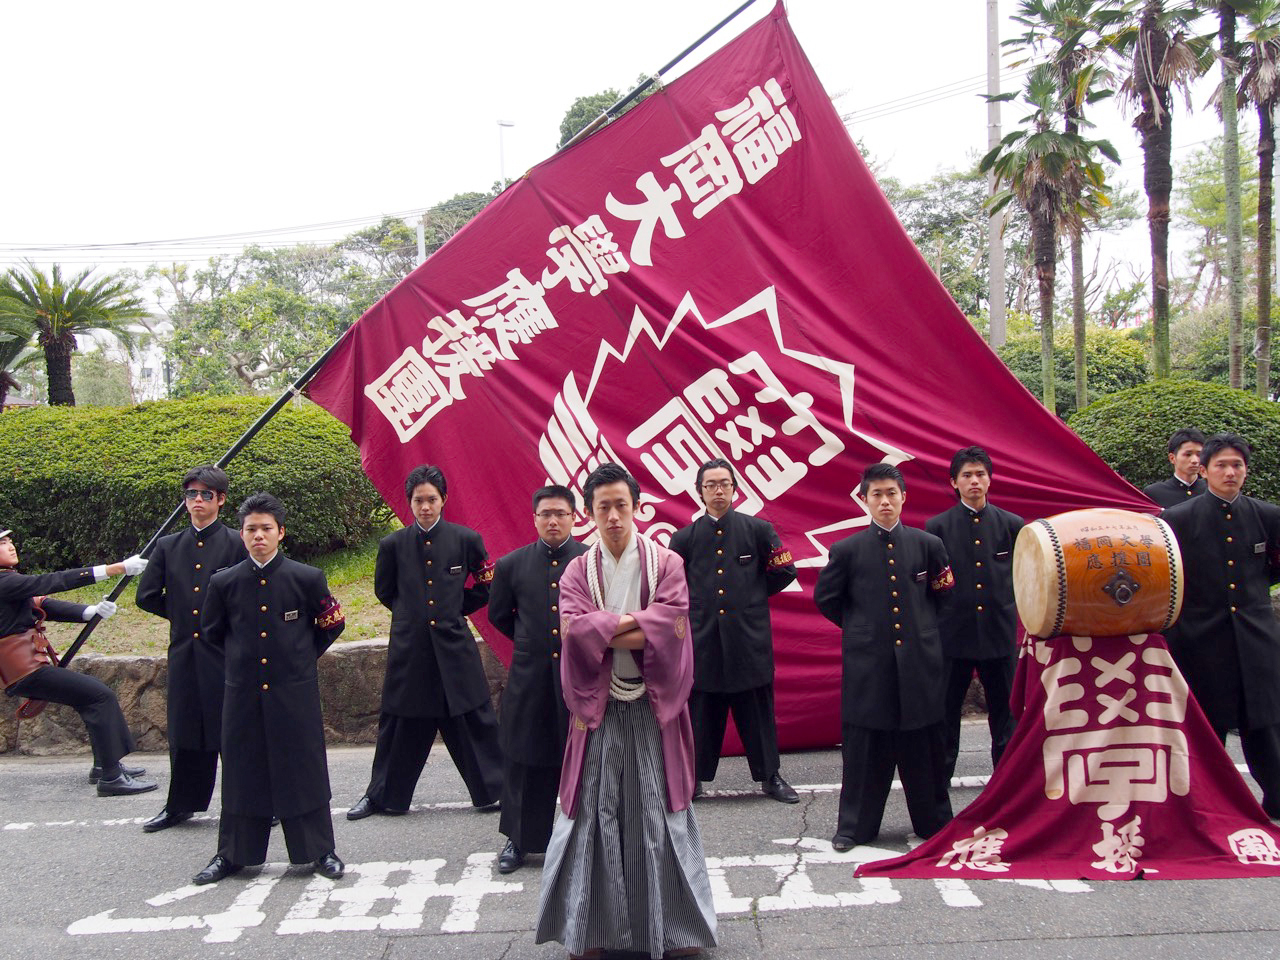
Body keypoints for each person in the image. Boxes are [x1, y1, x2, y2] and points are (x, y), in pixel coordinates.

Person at [535, 462, 717, 960]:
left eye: (621, 505)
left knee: (661, 811)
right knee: (594, 812)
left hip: (654, 704)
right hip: (599, 706)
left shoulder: (666, 563)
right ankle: (589, 931)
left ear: (637, 507)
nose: (613, 516)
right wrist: (641, 624)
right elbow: (575, 630)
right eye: (602, 507)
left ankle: (677, 931)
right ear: (588, 516)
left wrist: (607, 626)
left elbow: (672, 623)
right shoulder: (578, 569)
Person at [192, 493, 345, 884]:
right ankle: (232, 854)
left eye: (266, 528)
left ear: (281, 533)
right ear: (241, 535)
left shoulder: (306, 577)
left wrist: (299, 658)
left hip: (294, 693)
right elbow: (211, 634)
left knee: (304, 769)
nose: (258, 535)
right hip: (242, 692)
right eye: (251, 529)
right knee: (243, 771)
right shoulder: (224, 582)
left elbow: (331, 623)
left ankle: (320, 850)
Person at [347, 464, 502, 820]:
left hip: (454, 646)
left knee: (473, 716)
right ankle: (381, 795)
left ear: (443, 500)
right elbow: (384, 591)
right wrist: (411, 616)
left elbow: (485, 584)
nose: (425, 507)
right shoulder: (392, 545)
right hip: (410, 648)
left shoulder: (466, 540)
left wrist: (455, 609)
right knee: (400, 722)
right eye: (419, 500)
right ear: (410, 503)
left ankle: (497, 789)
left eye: (432, 499)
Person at [814, 462, 955, 851]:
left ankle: (934, 821)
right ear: (864, 500)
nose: (885, 501)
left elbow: (944, 596)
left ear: (904, 497)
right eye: (876, 494)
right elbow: (827, 599)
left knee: (923, 745)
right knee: (865, 746)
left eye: (891, 493)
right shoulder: (847, 550)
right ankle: (854, 827)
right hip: (868, 664)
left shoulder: (929, 546)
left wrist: (920, 629)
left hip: (919, 664)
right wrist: (862, 627)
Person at [1161, 433, 1280, 817]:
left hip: (1256, 635)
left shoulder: (1267, 515)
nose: (1230, 472)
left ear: (1246, 470)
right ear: (1205, 470)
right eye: (1221, 465)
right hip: (1200, 637)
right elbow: (1169, 575)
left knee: (1264, 719)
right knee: (1206, 725)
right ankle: (1204, 807)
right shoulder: (1178, 518)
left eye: (1237, 465)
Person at [669, 458, 799, 803]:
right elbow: (673, 587)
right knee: (701, 712)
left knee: (756, 709)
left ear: (734, 489)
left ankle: (770, 777)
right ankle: (692, 779)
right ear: (699, 492)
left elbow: (785, 571)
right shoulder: (684, 539)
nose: (718, 491)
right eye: (710, 485)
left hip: (748, 638)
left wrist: (752, 597)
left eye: (724, 484)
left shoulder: (758, 530)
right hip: (703, 641)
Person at [0, 528, 154, 796]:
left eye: (9, 540)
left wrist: (88, 612)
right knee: (99, 696)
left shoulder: (9, 582)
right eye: (2, 543)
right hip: (25, 672)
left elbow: (41, 602)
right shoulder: (4, 583)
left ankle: (104, 766)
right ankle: (110, 778)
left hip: (30, 667)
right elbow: (52, 581)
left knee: (89, 698)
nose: (11, 545)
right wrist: (115, 569)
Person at [135, 465, 248, 833]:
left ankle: (252, 801)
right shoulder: (168, 546)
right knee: (184, 729)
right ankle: (180, 804)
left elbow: (248, 593)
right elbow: (147, 595)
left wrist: (218, 622)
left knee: (231, 728)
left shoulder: (236, 542)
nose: (198, 501)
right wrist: (183, 614)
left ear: (221, 500)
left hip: (225, 652)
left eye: (206, 495)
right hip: (184, 651)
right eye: (191, 495)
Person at [486, 485, 588, 874]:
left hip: (580, 676)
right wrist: (531, 641)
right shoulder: (512, 565)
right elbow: (499, 615)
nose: (553, 520)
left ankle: (584, 838)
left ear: (574, 517)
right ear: (534, 518)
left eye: (561, 513)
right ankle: (521, 839)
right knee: (526, 756)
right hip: (530, 677)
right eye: (545, 513)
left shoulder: (589, 560)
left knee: (582, 757)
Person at [925, 447, 1023, 780]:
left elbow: (1025, 578)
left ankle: (1007, 781)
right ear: (954, 482)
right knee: (945, 711)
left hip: (999, 633)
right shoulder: (937, 528)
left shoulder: (1012, 525)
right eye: (966, 475)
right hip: (953, 634)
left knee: (1006, 713)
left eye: (980, 474)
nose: (974, 481)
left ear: (990, 479)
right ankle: (939, 779)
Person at [1143, 428, 1207, 508]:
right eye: (1188, 454)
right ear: (1172, 458)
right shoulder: (1154, 493)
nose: (1195, 460)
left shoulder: (1212, 489)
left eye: (1199, 455)